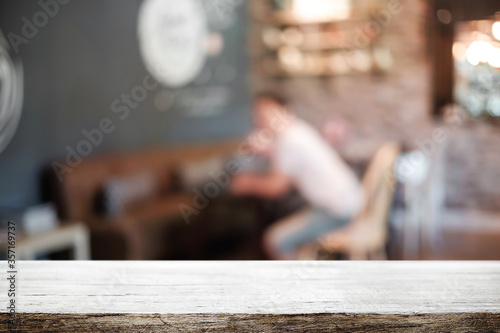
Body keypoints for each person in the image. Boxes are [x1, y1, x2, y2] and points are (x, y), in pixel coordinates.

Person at [230, 92, 364, 260]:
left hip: (338, 213)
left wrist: (247, 183)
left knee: (275, 241)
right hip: (349, 205)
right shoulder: (297, 132)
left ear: (286, 112)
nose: (263, 120)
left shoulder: (289, 140)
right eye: (259, 115)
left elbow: (276, 188)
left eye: (268, 114)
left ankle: (296, 283)